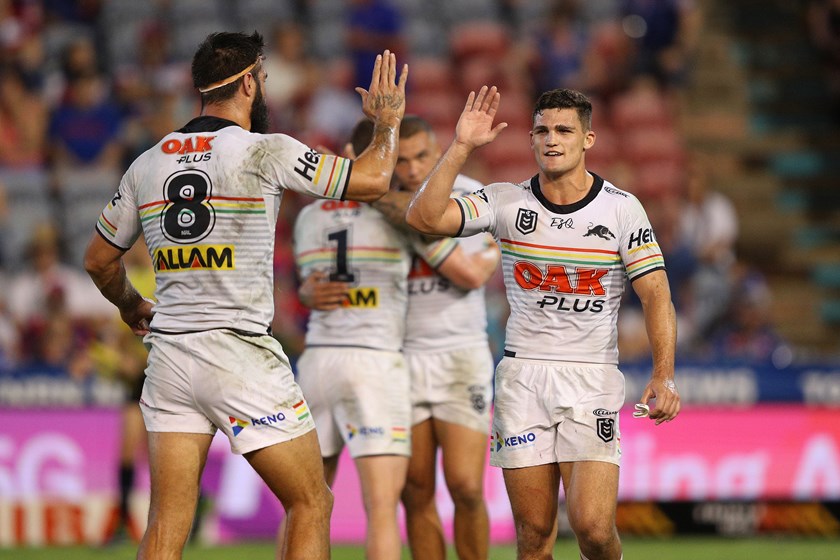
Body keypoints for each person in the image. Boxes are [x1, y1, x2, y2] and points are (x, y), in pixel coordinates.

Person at [83, 30, 408, 560]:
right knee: (310, 503)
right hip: (237, 352)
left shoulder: (148, 162)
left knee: (166, 523)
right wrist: (388, 122)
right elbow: (372, 180)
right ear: (247, 85)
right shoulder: (264, 150)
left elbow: (98, 259)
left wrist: (131, 305)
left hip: (168, 356)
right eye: (262, 77)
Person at [406, 86, 680, 560]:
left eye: (564, 130)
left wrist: (663, 374)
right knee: (534, 537)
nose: (551, 140)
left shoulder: (620, 208)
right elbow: (424, 216)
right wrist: (463, 146)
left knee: (593, 528)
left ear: (588, 139)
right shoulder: (505, 201)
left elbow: (655, 292)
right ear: (530, 139)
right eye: (542, 130)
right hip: (523, 378)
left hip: (591, 376)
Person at [289, 118, 416, 560]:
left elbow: (308, 286)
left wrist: (306, 292)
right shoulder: (400, 211)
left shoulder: (307, 216)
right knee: (381, 510)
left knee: (304, 508)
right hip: (374, 361)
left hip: (317, 364)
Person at [383, 116, 501, 560]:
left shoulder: (470, 194)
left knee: (467, 486)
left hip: (460, 354)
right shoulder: (384, 201)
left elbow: (476, 273)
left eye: (421, 157)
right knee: (415, 490)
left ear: (437, 153)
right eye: (402, 160)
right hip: (404, 356)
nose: (412, 169)